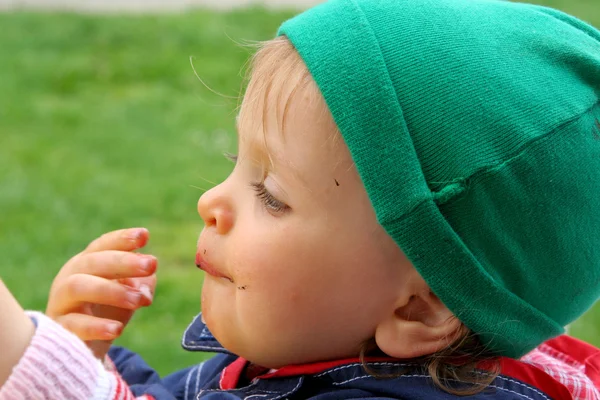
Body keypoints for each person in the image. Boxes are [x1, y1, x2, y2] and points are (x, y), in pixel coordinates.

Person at [2, 0, 600, 398]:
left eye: (271, 195)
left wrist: (46, 367)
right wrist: (87, 361)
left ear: (420, 310)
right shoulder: (312, 342)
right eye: (237, 165)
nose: (212, 200)